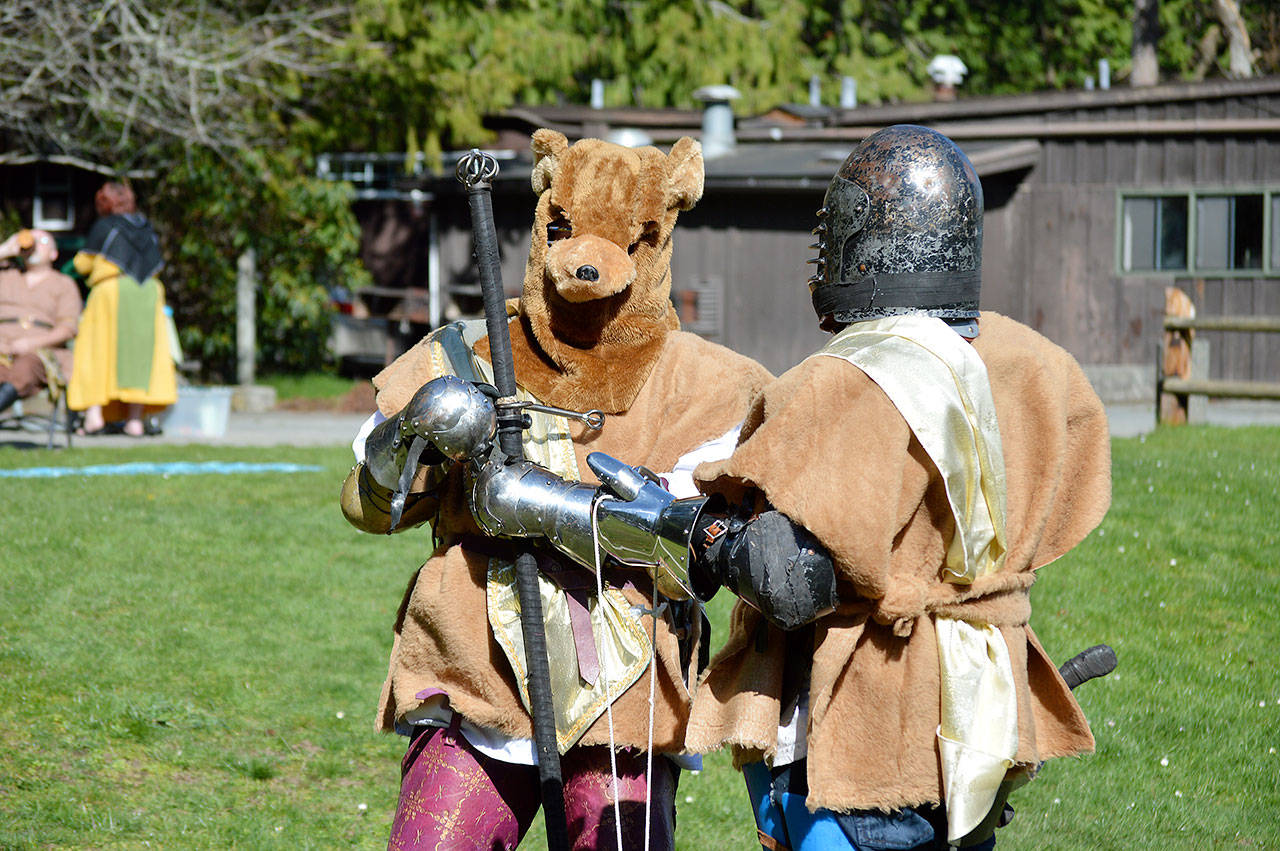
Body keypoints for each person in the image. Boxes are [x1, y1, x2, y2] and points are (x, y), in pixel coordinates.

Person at [678, 124, 1114, 850]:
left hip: (872, 725)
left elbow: (792, 577)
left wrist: (706, 534)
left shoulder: (849, 378)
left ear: (860, 236)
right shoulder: (1037, 367)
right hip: (980, 718)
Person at [339, 131, 772, 850]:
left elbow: (700, 543)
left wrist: (527, 499)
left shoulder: (710, 386)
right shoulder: (466, 355)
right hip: (475, 661)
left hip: (626, 682)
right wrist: (421, 425)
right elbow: (366, 503)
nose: (586, 260)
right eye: (564, 228)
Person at [67, 181, 176, 436]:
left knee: (96, 351)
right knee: (140, 357)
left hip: (112, 291)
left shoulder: (105, 226)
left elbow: (83, 264)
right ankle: (135, 421)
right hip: (148, 293)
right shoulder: (145, 226)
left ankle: (94, 418)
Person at [0, 229, 83, 416]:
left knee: (26, 368)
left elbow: (68, 329)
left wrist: (30, 343)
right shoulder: (6, 275)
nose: (35, 243)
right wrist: (5, 250)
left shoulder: (63, 283)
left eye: (43, 240)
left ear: (54, 253)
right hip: (2, 349)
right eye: (33, 239)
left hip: (40, 353)